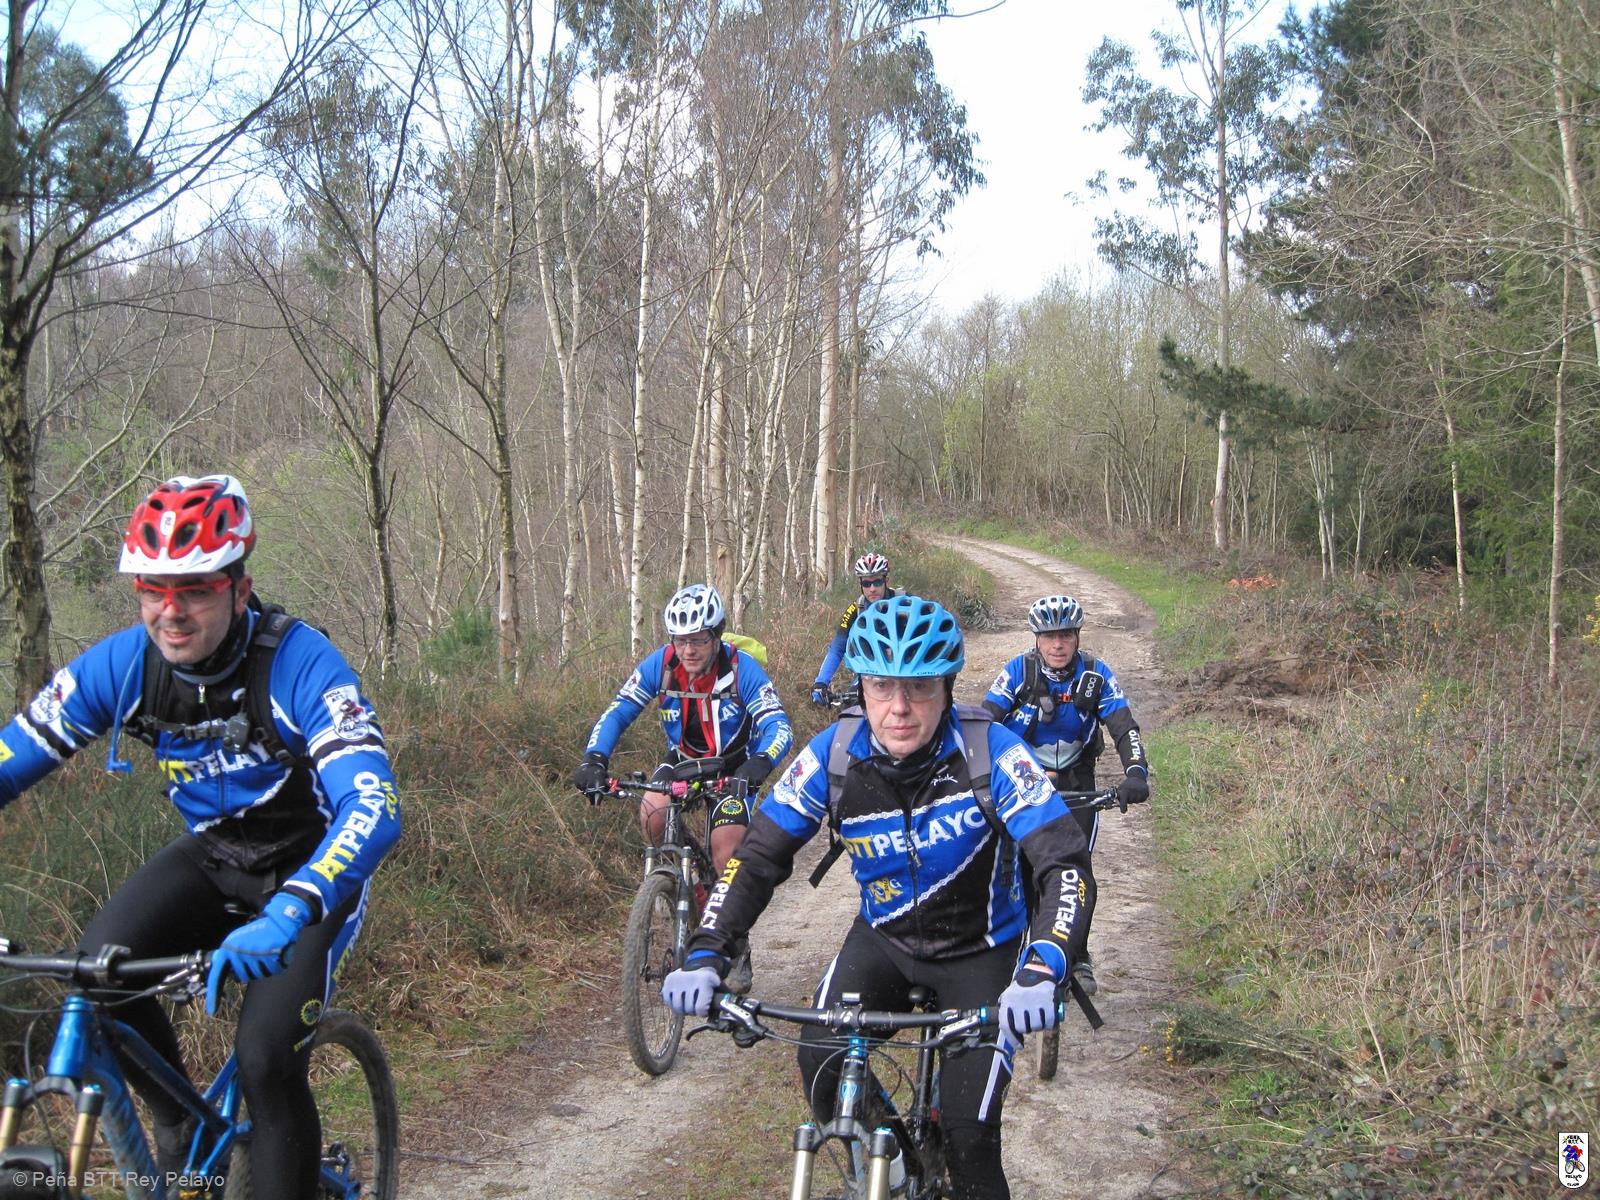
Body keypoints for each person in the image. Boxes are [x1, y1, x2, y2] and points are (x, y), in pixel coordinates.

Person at [0, 475, 401, 1199]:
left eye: (194, 590)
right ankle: (181, 1126)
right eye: (153, 590)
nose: (170, 611)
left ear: (239, 590)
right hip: (216, 857)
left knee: (266, 1057)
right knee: (98, 969)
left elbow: (372, 803)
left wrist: (294, 906)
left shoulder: (301, 665)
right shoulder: (123, 667)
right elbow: (11, 757)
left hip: (311, 872)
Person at [663, 594, 1092, 1200]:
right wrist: (708, 949)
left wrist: (1044, 966)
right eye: (882, 686)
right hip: (884, 940)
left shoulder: (991, 752)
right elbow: (756, 859)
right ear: (861, 688)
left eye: (919, 688)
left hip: (984, 950)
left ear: (946, 688)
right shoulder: (833, 755)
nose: (899, 707)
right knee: (821, 1067)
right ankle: (899, 1170)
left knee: (971, 1139)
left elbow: (1064, 864)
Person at [574, 582, 793, 990]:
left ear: (717, 635)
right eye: (680, 640)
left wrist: (760, 762)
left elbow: (778, 726)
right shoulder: (660, 665)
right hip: (682, 760)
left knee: (727, 848)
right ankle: (688, 888)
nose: (688, 650)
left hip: (734, 765)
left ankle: (736, 942)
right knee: (652, 815)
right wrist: (595, 759)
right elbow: (619, 711)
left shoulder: (742, 669)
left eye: (698, 640)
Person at [981, 593, 1149, 995]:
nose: (1058, 645)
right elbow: (983, 722)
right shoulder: (1018, 672)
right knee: (1021, 871)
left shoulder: (1096, 674)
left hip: (1077, 782)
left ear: (1077, 637)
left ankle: (1078, 957)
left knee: (1075, 873)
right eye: (1049, 636)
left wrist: (1136, 772)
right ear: (1037, 639)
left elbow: (1123, 726)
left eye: (1066, 636)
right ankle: (1013, 953)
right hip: (1025, 783)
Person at [810, 551, 897, 706]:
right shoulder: (855, 609)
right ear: (860, 584)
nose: (872, 589)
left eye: (877, 582)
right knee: (852, 709)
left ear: (886, 581)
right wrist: (821, 682)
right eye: (866, 583)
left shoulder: (905, 602)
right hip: (868, 673)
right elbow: (837, 648)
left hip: (905, 671)